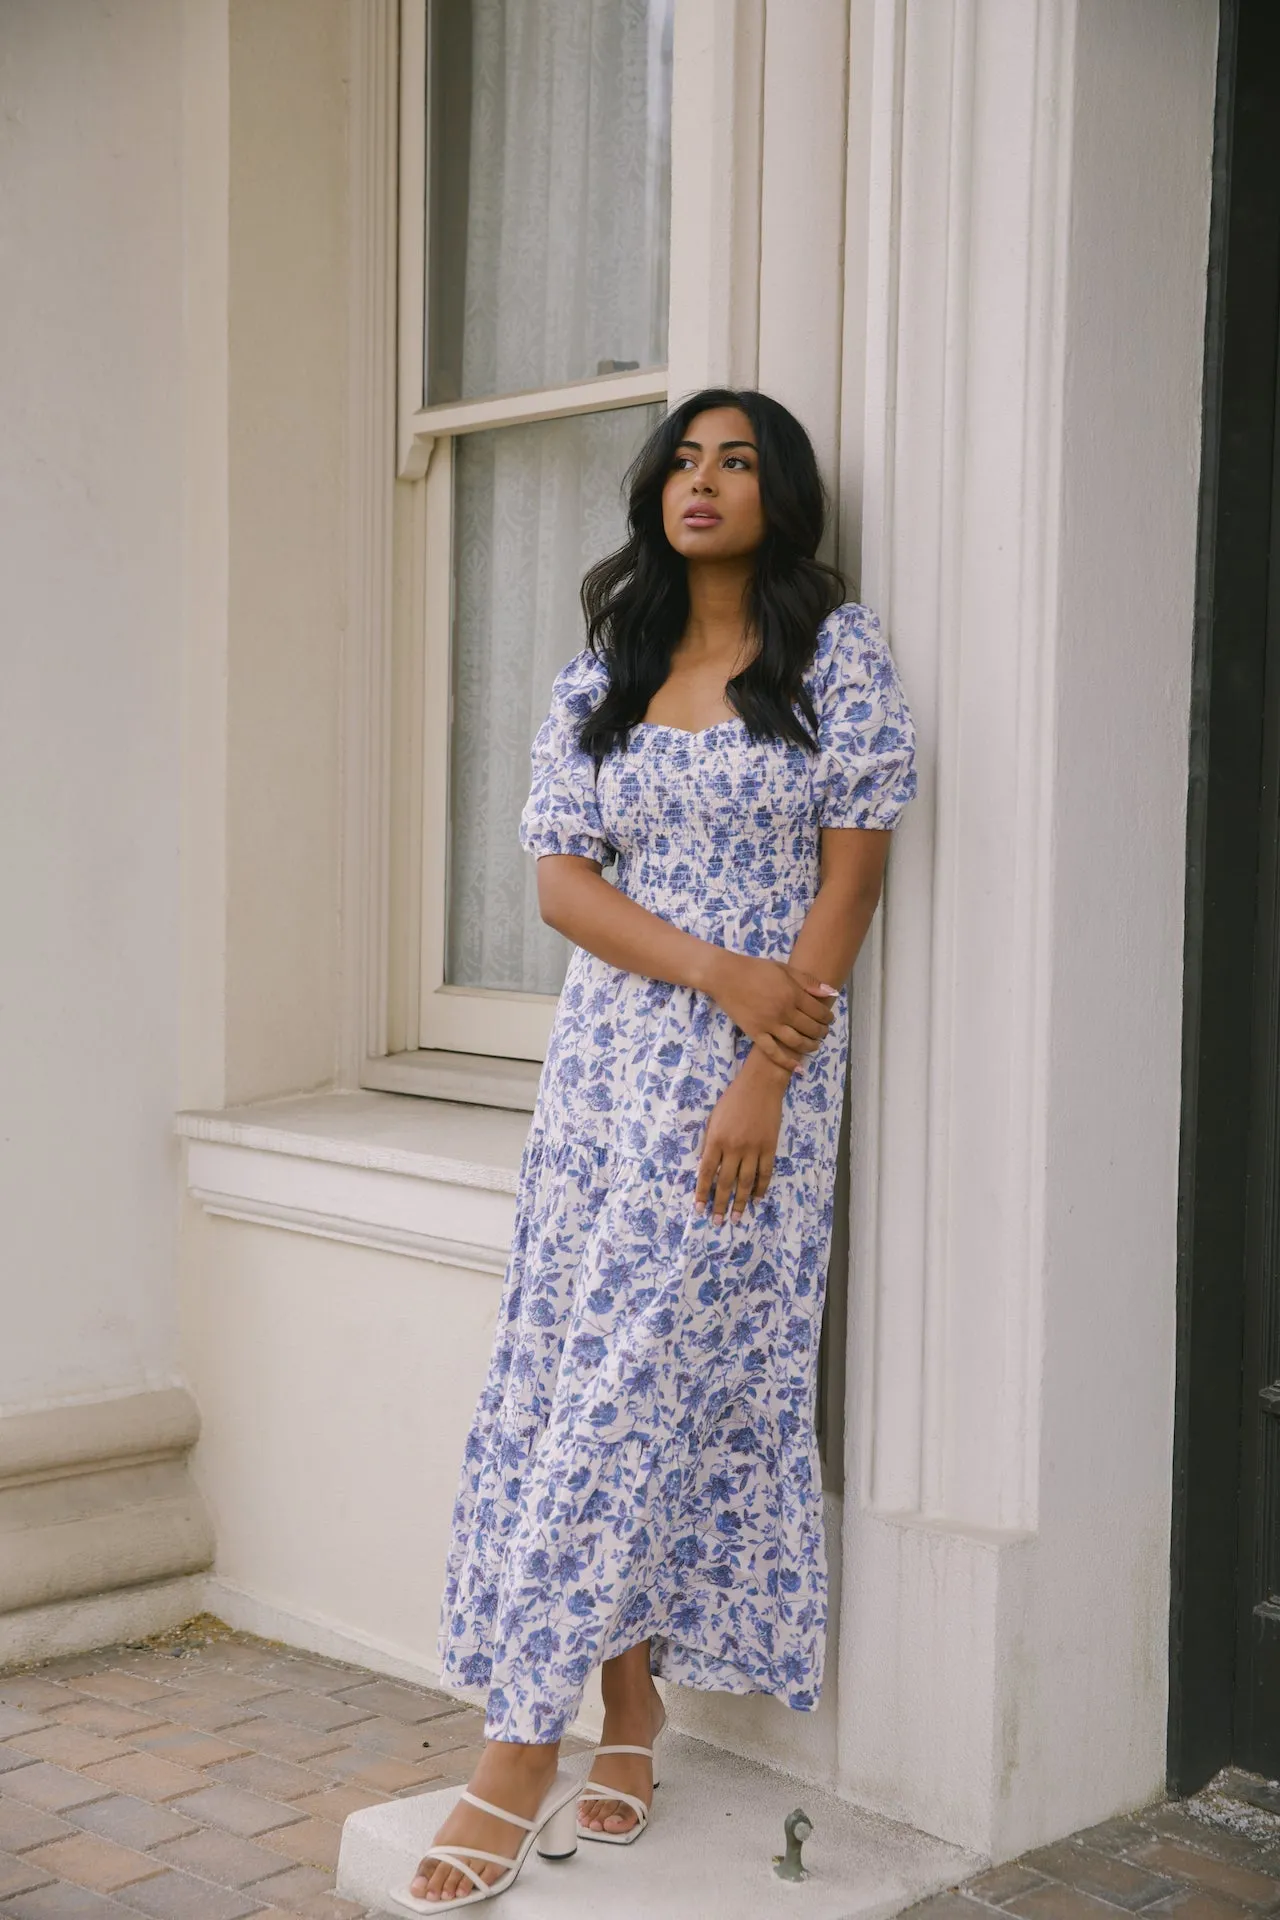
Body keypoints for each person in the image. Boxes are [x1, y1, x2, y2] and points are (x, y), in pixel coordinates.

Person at [391, 387, 918, 1909]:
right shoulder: (606, 668)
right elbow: (559, 884)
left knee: (652, 1384)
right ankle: (621, 1709)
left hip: (761, 1085)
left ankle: (516, 1750)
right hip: (605, 1075)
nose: (703, 482)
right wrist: (711, 973)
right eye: (685, 460)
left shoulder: (836, 658)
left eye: (738, 462)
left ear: (782, 498)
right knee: (584, 1377)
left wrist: (762, 1062)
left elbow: (855, 877)